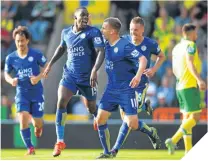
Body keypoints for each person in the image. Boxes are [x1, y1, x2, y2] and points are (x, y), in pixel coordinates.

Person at [42, 7, 105, 157]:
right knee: (61, 101)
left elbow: (101, 51)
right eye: (82, 16)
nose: (85, 19)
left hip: (87, 78)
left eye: (87, 17)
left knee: (90, 107)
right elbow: (61, 47)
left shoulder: (93, 32)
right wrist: (50, 64)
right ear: (74, 18)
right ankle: (60, 141)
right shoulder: (65, 32)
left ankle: (96, 115)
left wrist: (95, 70)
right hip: (69, 76)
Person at [96, 17, 147, 159]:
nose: (102, 30)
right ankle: (108, 152)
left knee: (133, 124)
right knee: (100, 119)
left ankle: (149, 131)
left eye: (104, 27)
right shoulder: (105, 43)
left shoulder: (125, 45)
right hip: (111, 89)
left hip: (126, 89)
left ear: (112, 31)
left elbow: (143, 59)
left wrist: (137, 76)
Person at [118, 16, 165, 151]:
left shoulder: (150, 43)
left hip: (141, 84)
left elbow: (162, 56)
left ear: (143, 30)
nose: (133, 32)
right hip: (126, 85)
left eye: (136, 30)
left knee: (130, 114)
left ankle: (114, 150)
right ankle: (150, 130)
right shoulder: (125, 40)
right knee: (127, 120)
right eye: (132, 29)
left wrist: (154, 69)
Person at [4, 26, 47, 155]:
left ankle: (38, 127)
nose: (20, 43)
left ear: (27, 40)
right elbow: (6, 74)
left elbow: (47, 67)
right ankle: (30, 148)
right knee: (23, 118)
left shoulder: (36, 54)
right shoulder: (11, 58)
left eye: (22, 40)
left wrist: (38, 77)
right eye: (17, 41)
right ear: (15, 41)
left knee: (37, 122)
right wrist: (11, 80)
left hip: (36, 93)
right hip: (22, 93)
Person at [165, 23, 206, 155]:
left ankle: (188, 151)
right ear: (188, 33)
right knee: (196, 117)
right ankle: (173, 139)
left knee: (186, 118)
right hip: (189, 85)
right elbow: (189, 62)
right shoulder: (190, 45)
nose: (196, 35)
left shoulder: (176, 48)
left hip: (180, 85)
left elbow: (175, 68)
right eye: (195, 33)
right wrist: (199, 79)